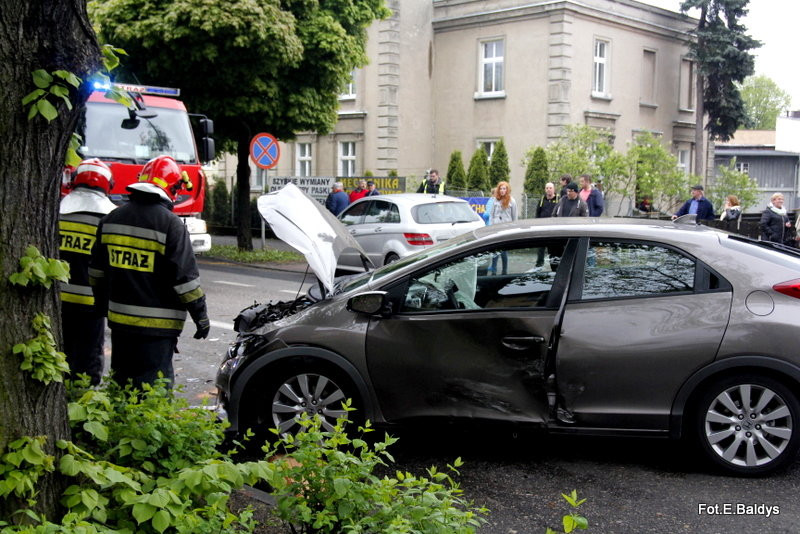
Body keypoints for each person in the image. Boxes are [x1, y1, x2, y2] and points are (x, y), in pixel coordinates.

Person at [89, 155, 210, 388]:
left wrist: (102, 306)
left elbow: (96, 273)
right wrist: (201, 317)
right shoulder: (171, 224)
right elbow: (185, 282)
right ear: (173, 188)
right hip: (157, 330)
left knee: (122, 387)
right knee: (153, 390)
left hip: (120, 325)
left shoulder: (111, 219)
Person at [59, 158, 118, 385]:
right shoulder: (110, 218)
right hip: (91, 303)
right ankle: (83, 399)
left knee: (58, 353)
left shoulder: (58, 211)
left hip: (57, 299)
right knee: (87, 359)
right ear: (107, 185)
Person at [487, 181, 517, 275]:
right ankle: (494, 271)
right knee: (495, 250)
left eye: (504, 189)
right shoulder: (495, 200)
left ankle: (504, 271)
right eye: (501, 188)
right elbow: (491, 215)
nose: (502, 190)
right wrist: (491, 226)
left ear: (507, 190)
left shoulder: (512, 201)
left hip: (506, 229)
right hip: (496, 228)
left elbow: (514, 217)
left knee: (504, 251)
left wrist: (513, 229)